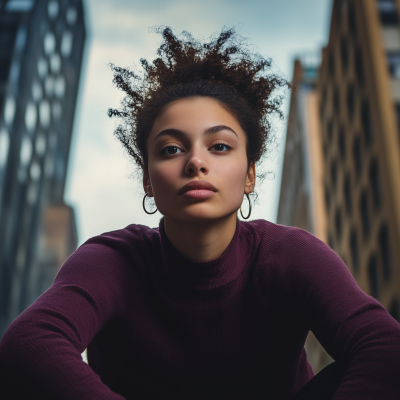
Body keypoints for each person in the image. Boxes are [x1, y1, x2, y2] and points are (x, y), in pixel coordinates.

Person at [0, 26, 399, 400]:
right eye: (172, 149)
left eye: (220, 146)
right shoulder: (113, 260)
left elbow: (384, 345)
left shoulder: (289, 253)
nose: (195, 162)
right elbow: (30, 342)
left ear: (249, 175)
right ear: (147, 181)